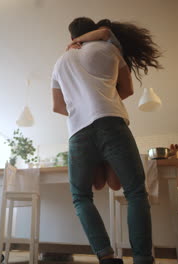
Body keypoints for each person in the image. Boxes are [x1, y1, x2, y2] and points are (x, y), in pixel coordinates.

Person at [51, 17, 161, 264]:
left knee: (81, 196)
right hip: (112, 123)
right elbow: (128, 90)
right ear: (93, 31)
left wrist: (82, 109)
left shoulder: (59, 63)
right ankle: (143, 258)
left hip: (78, 133)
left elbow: (57, 106)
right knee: (134, 192)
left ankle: (106, 257)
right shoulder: (110, 47)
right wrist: (103, 100)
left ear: (72, 38)